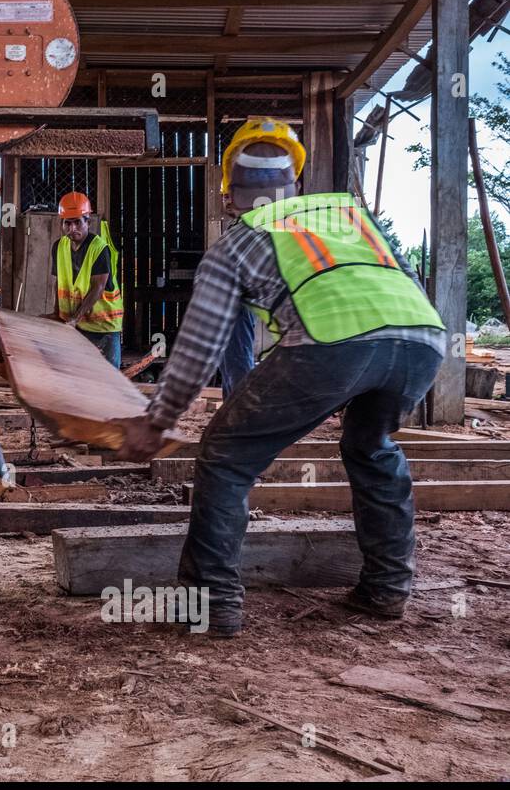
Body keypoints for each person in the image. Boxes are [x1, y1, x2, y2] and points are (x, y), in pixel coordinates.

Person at [116, 119, 445, 637]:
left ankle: (213, 603)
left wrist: (157, 421)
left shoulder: (236, 244)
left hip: (330, 346)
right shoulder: (350, 217)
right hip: (423, 341)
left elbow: (202, 347)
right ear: (296, 186)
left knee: (225, 459)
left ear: (227, 198)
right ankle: (386, 588)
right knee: (371, 445)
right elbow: (400, 281)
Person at [52, 190, 123, 367]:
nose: (72, 228)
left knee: (108, 378)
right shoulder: (59, 247)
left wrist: (75, 319)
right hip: (76, 324)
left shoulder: (99, 249)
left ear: (88, 222)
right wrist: (57, 314)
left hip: (103, 325)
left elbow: (97, 288)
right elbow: (59, 282)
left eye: (77, 222)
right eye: (67, 223)